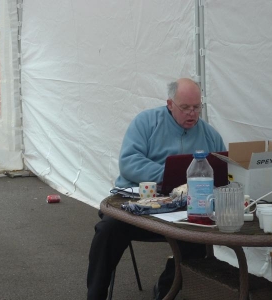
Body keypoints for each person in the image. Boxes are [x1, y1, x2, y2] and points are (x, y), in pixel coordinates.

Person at [87, 78, 226, 300]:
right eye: (185, 108)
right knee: (107, 230)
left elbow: (224, 171)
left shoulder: (210, 135)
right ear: (170, 104)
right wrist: (168, 174)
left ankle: (165, 290)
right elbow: (129, 162)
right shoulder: (146, 122)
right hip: (138, 207)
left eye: (196, 107)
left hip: (184, 212)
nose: (192, 114)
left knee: (199, 237)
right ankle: (95, 295)